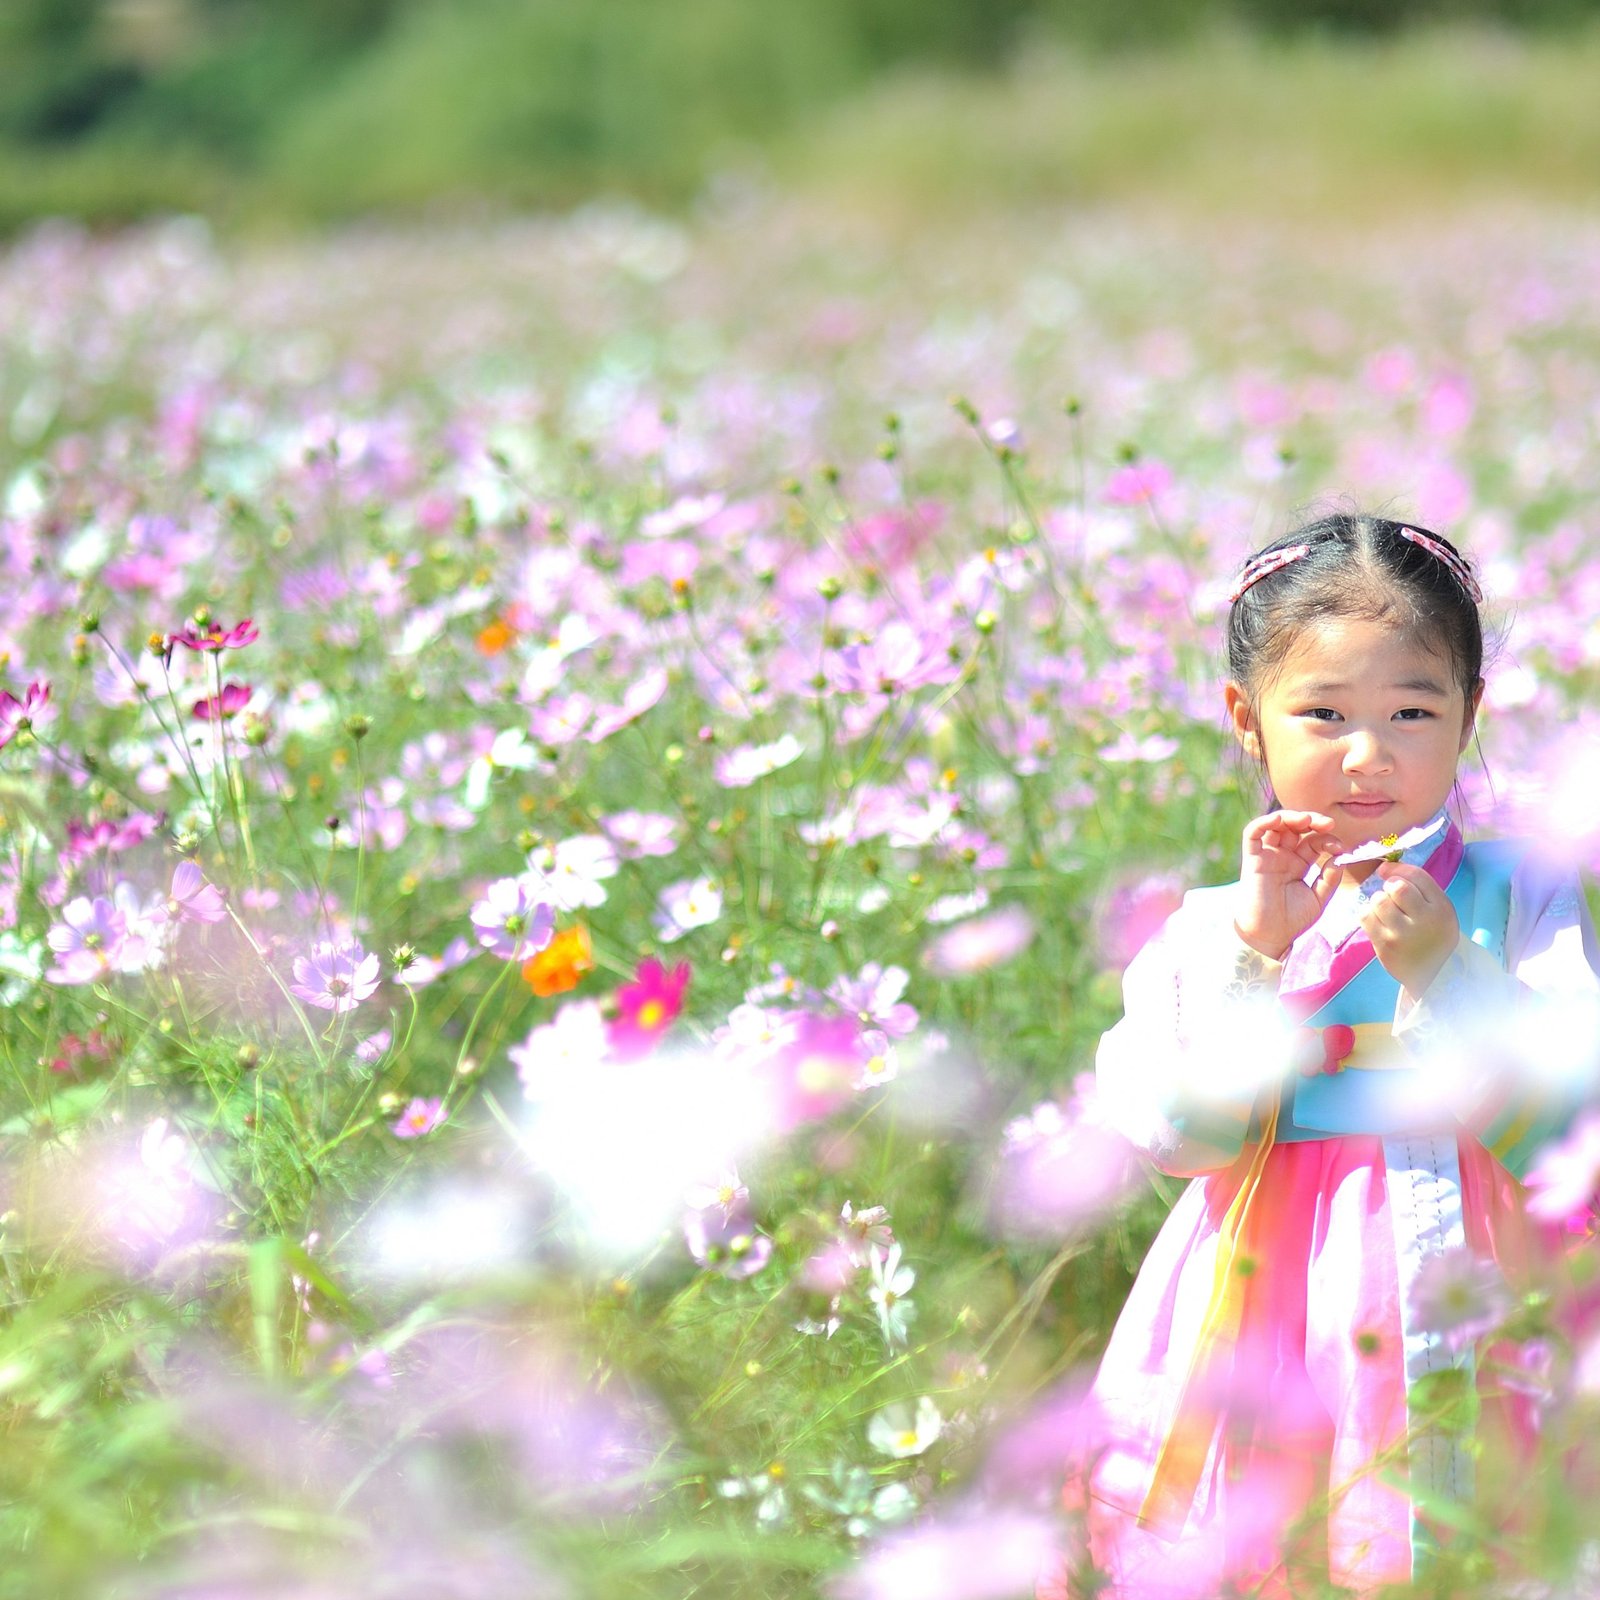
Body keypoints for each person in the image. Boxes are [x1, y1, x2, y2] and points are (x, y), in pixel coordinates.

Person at [1052, 512, 1600, 1598]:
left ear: (1468, 714)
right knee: (1295, 1532)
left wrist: (1447, 969)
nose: (1368, 754)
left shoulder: (1521, 888)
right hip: (1276, 1298)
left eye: (1411, 709)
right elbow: (1177, 1135)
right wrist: (1259, 950)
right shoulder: (1210, 926)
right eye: (1322, 713)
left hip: (1487, 1278)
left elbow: (1573, 1118)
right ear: (1244, 720)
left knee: (1494, 1527)